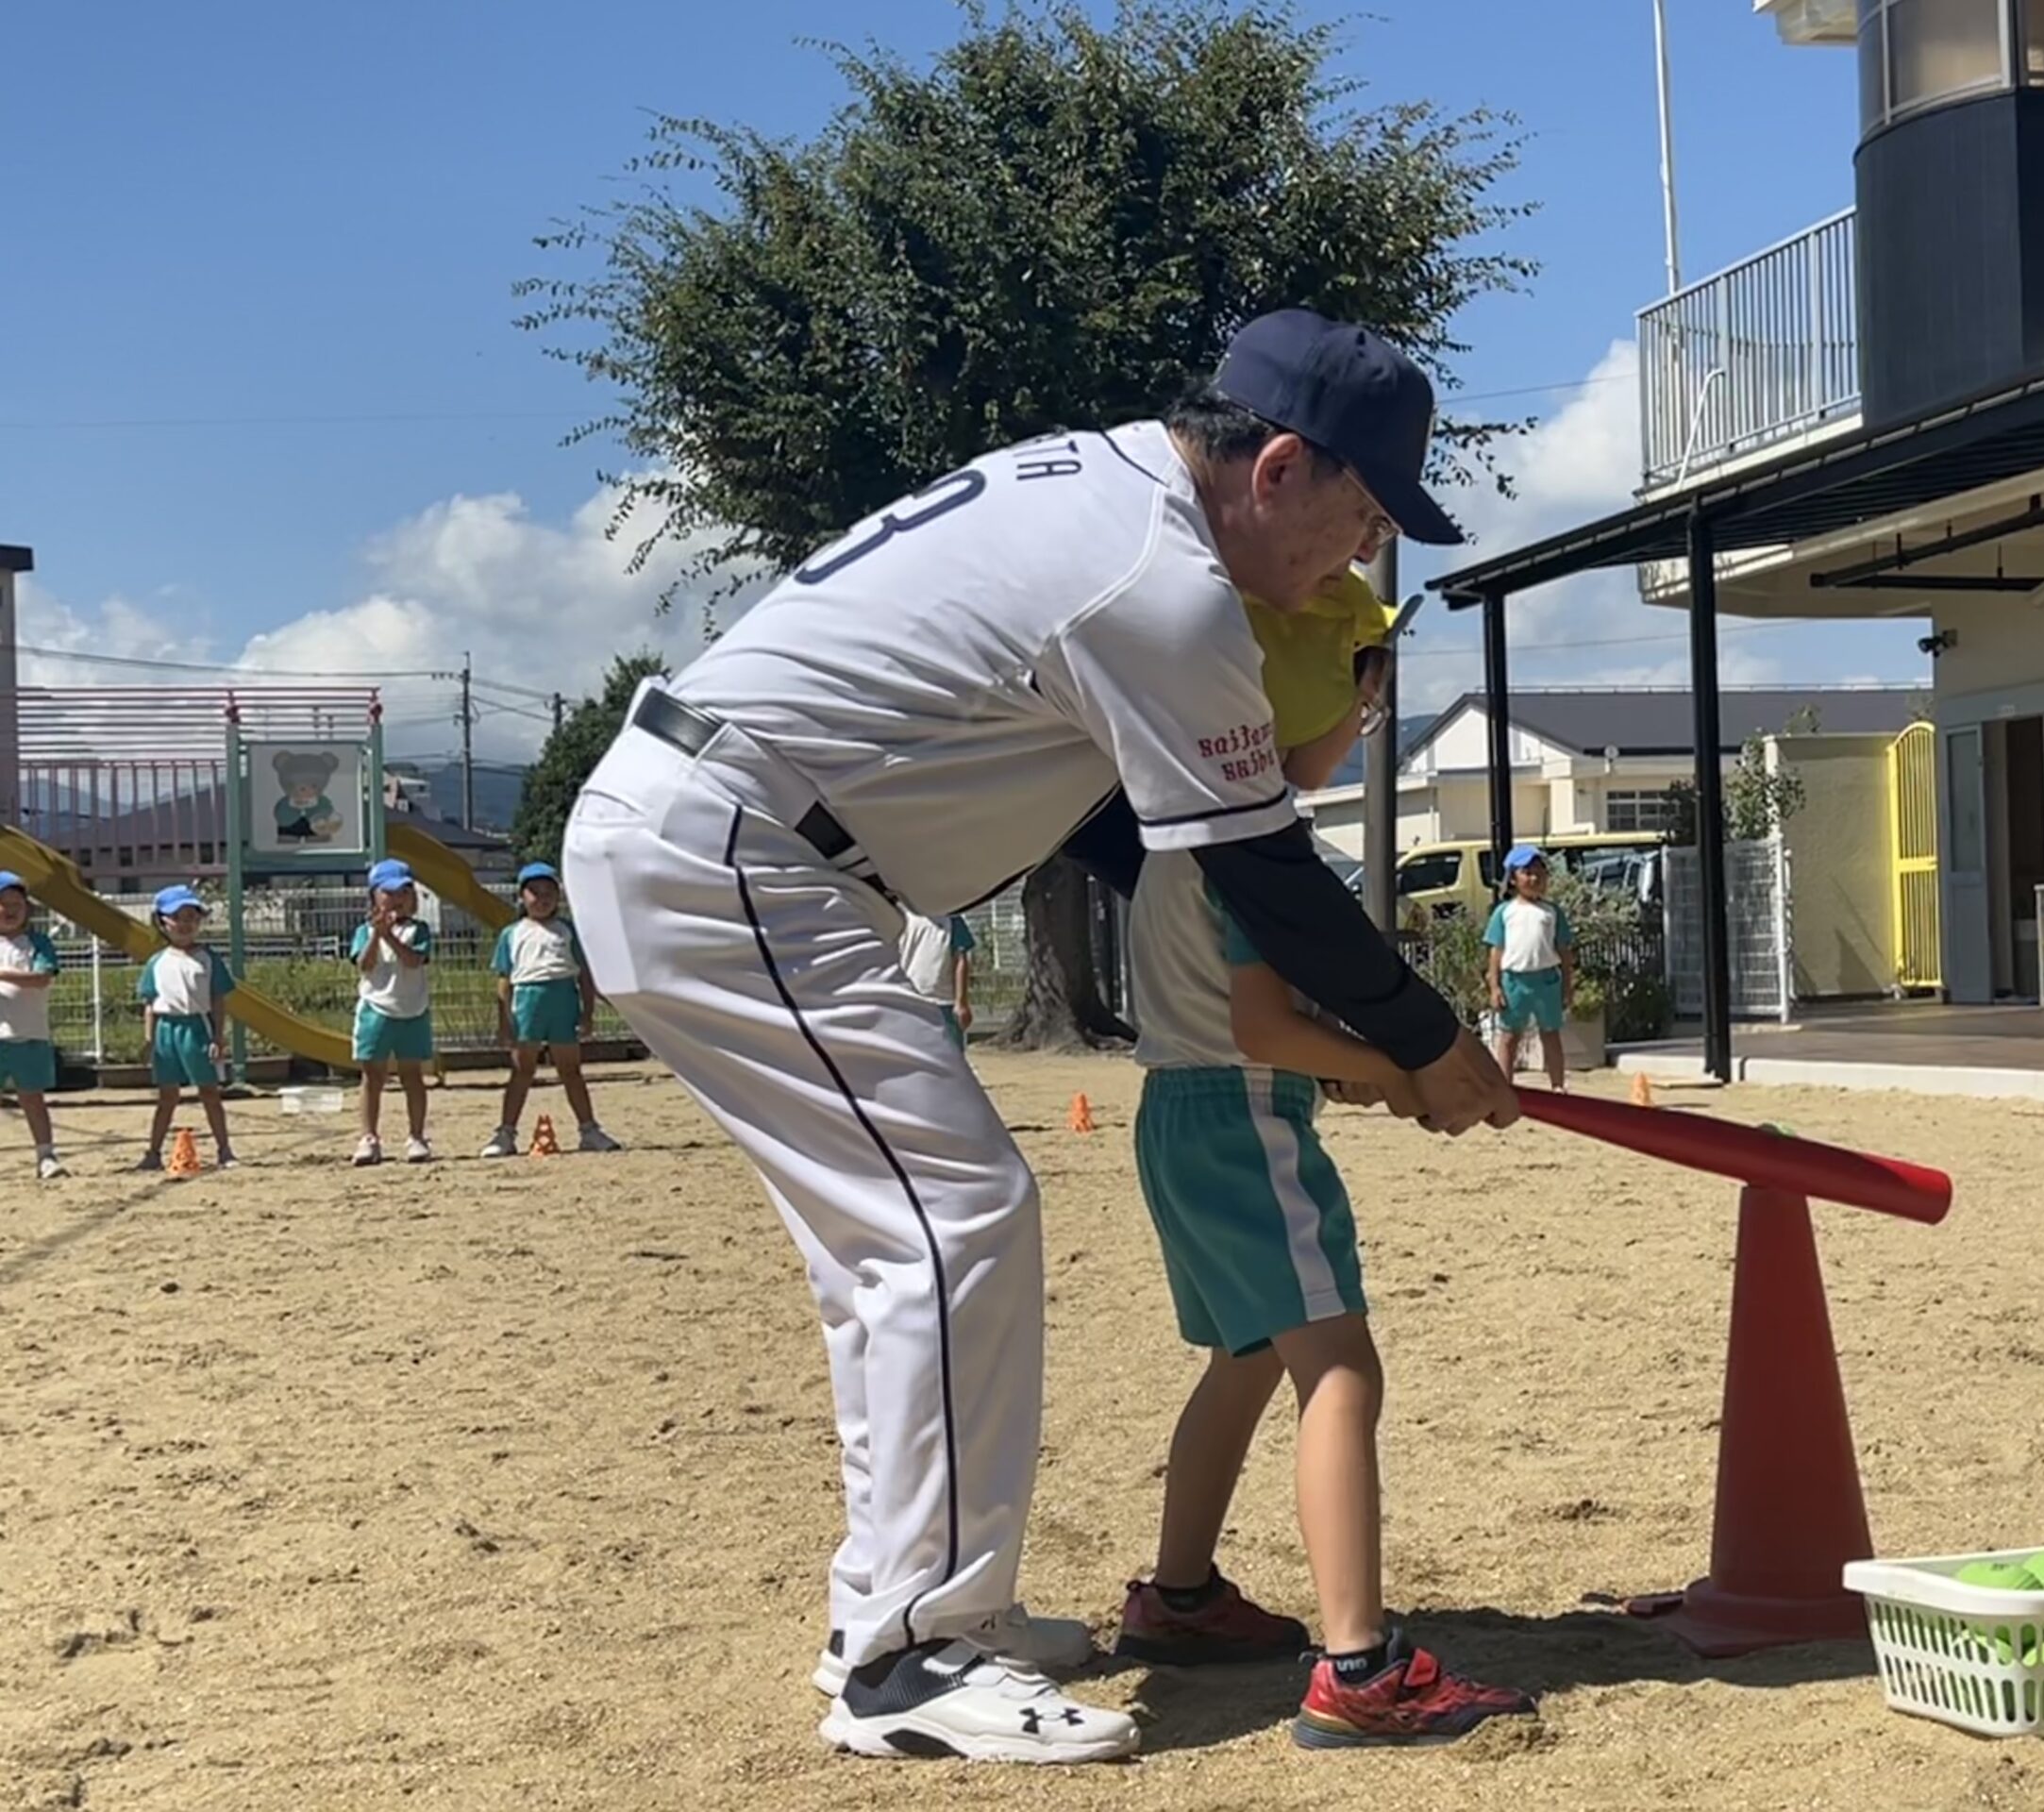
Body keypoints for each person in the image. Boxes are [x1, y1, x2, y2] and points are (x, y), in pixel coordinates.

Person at [561, 307, 1518, 1765]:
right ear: (1275, 470)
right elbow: (1265, 870)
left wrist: (1375, 1039)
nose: (1364, 560)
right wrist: (1424, 1039)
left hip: (745, 840)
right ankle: (905, 1663)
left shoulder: (1104, 486)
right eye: (1363, 515)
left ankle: (908, 1607)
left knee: (906, 1245)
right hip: (737, 847)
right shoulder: (1168, 587)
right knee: (951, 1222)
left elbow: (1157, 847)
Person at [1114, 633, 1535, 1746]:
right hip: (1246, 1123)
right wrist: (1398, 1063)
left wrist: (1345, 1065)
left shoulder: (1169, 838)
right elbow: (1258, 1027)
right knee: (1339, 1366)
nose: (1358, 734)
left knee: (1247, 1355)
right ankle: (1359, 1665)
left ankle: (1180, 1597)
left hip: (1179, 1113)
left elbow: (1237, 1021)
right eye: (1359, 714)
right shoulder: (1253, 849)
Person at [482, 862, 620, 1156]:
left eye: (549, 892)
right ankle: (505, 1133)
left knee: (570, 1069)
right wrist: (504, 1021)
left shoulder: (568, 931)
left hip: (563, 999)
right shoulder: (511, 933)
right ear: (521, 897)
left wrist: (587, 1013)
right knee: (522, 1070)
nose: (542, 899)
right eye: (535, 892)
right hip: (527, 1001)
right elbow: (504, 980)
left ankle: (589, 1129)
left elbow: (583, 973)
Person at [136, 885, 238, 1171]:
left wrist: (218, 1035)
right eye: (177, 917)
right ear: (162, 922)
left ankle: (225, 1149)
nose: (185, 925)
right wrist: (149, 1040)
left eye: (192, 918)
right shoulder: (157, 962)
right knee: (167, 1094)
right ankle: (153, 1152)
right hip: (167, 1030)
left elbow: (218, 999)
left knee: (209, 1090)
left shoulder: (208, 959)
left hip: (197, 1027)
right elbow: (150, 1003)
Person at [350, 858, 436, 1166]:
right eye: (389, 893)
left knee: (412, 1075)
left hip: (412, 1011)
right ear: (374, 896)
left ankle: (416, 1135)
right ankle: (369, 1137)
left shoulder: (419, 930)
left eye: (404, 892)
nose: (397, 899)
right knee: (372, 1075)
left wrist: (390, 936)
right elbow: (364, 964)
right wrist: (377, 934)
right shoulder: (363, 931)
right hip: (376, 1009)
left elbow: (414, 961)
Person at [1486, 847, 1575, 1092]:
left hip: (1547, 980)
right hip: (1514, 981)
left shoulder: (1552, 913)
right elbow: (1496, 951)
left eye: (1539, 873)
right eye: (1527, 873)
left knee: (1551, 1034)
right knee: (1509, 1036)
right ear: (1514, 878)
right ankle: (1505, 1086)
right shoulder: (1504, 913)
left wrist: (1568, 986)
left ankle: (1557, 1085)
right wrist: (1495, 987)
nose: (1534, 879)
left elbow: (1564, 952)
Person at [0, 870, 69, 1181]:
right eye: (2, 903)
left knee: (32, 1097)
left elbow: (42, 978)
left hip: (28, 1033)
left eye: (16, 902)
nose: (9, 909)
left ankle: (46, 1155)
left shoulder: (38, 943)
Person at [896, 912, 978, 1049]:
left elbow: (960, 959)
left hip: (944, 1003)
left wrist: (961, 1002)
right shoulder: (900, 917)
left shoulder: (952, 920)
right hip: (909, 1001)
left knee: (950, 1057)